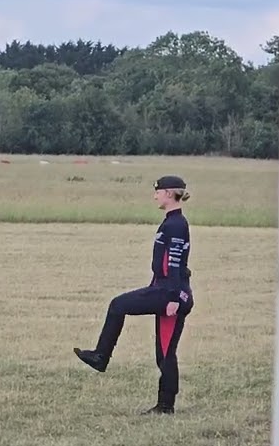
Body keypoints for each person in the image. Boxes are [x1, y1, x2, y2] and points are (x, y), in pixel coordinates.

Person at [73, 175, 195, 414]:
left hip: (170, 293)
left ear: (169, 193)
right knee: (165, 352)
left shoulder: (177, 224)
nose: (155, 195)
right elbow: (163, 265)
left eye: (158, 191)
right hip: (165, 288)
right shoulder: (172, 222)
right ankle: (165, 405)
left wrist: (172, 298)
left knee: (119, 306)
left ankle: (101, 357)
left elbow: (175, 262)